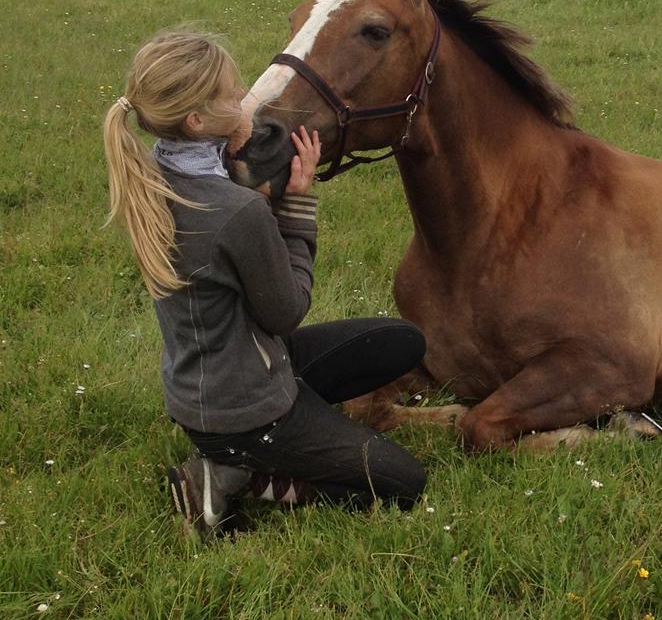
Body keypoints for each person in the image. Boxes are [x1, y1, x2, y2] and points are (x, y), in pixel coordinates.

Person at [102, 29, 427, 538]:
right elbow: (286, 310)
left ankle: (279, 433)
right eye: (234, 95)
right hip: (246, 414)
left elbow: (224, 244)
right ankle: (232, 474)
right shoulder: (236, 212)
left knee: (401, 341)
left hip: (217, 378)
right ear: (197, 120)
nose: (246, 99)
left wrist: (236, 155)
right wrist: (297, 202)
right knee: (402, 482)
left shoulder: (156, 176)